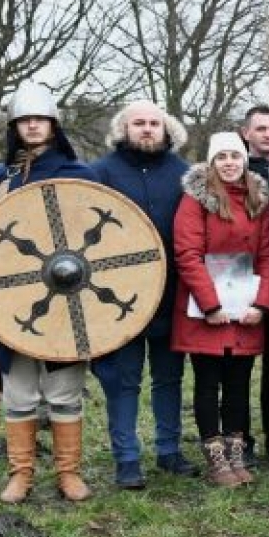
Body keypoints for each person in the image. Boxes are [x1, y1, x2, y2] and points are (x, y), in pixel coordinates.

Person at [0, 81, 97, 503]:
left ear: (53, 125)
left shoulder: (80, 177)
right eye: (25, 120)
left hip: (68, 299)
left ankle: (68, 474)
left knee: (64, 390)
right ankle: (21, 475)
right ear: (15, 126)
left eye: (40, 119)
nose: (32, 126)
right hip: (13, 300)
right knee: (20, 390)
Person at [89, 100, 197, 490]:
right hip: (116, 299)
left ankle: (169, 451)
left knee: (169, 378)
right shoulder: (98, 174)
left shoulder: (187, 176)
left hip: (173, 294)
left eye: (154, 123)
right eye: (139, 123)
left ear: (167, 130)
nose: (147, 129)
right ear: (123, 129)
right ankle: (127, 459)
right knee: (124, 380)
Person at [171, 132, 269, 488]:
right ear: (212, 163)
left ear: (244, 160)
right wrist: (210, 304)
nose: (229, 163)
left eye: (235, 156)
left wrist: (262, 304)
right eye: (222, 157)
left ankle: (236, 453)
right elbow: (187, 253)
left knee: (238, 384)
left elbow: (266, 255)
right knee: (207, 383)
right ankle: (216, 459)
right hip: (207, 310)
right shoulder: (195, 201)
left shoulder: (258, 200)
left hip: (245, 307)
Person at [239, 104, 269, 464]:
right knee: (239, 365)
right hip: (243, 276)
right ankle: (241, 437)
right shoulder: (236, 171)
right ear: (246, 133)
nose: (268, 134)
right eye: (261, 128)